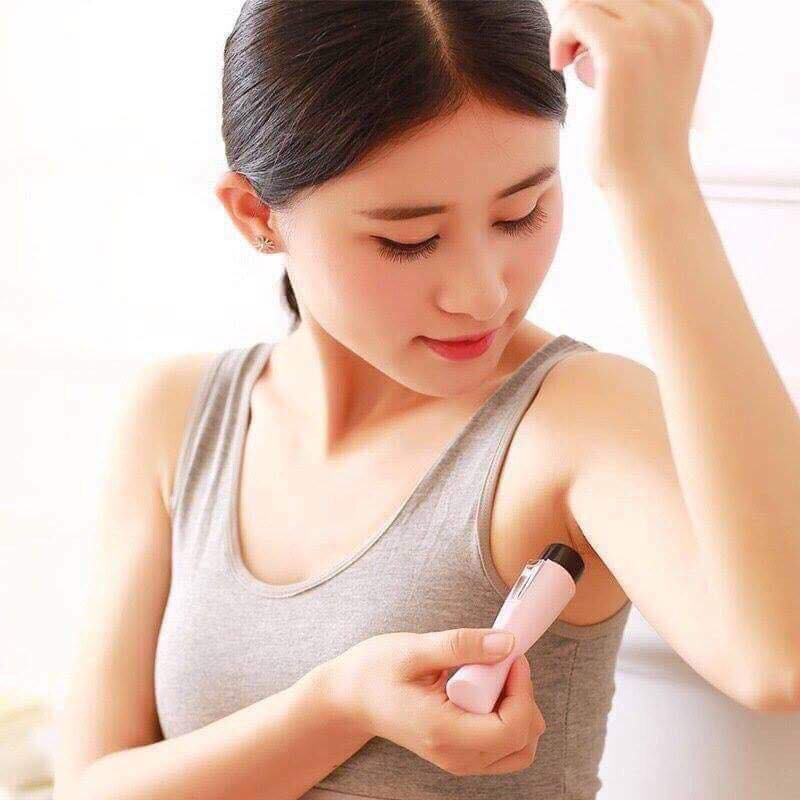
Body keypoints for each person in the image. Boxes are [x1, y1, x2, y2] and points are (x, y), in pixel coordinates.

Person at [53, 2, 800, 800]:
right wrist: (336, 707)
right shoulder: (178, 417)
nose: (482, 295)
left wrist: (654, 174)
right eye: (407, 240)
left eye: (521, 213)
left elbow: (780, 658)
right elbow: (91, 788)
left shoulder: (573, 418)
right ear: (257, 215)